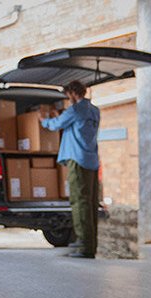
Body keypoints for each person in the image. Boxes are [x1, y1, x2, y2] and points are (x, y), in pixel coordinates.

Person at [40, 80, 100, 258]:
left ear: (73, 93)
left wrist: (43, 120)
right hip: (92, 159)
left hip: (77, 159)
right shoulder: (95, 111)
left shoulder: (75, 109)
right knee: (90, 203)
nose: (68, 98)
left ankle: (84, 246)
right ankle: (90, 243)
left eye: (68, 95)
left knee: (79, 202)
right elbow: (76, 125)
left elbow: (56, 124)